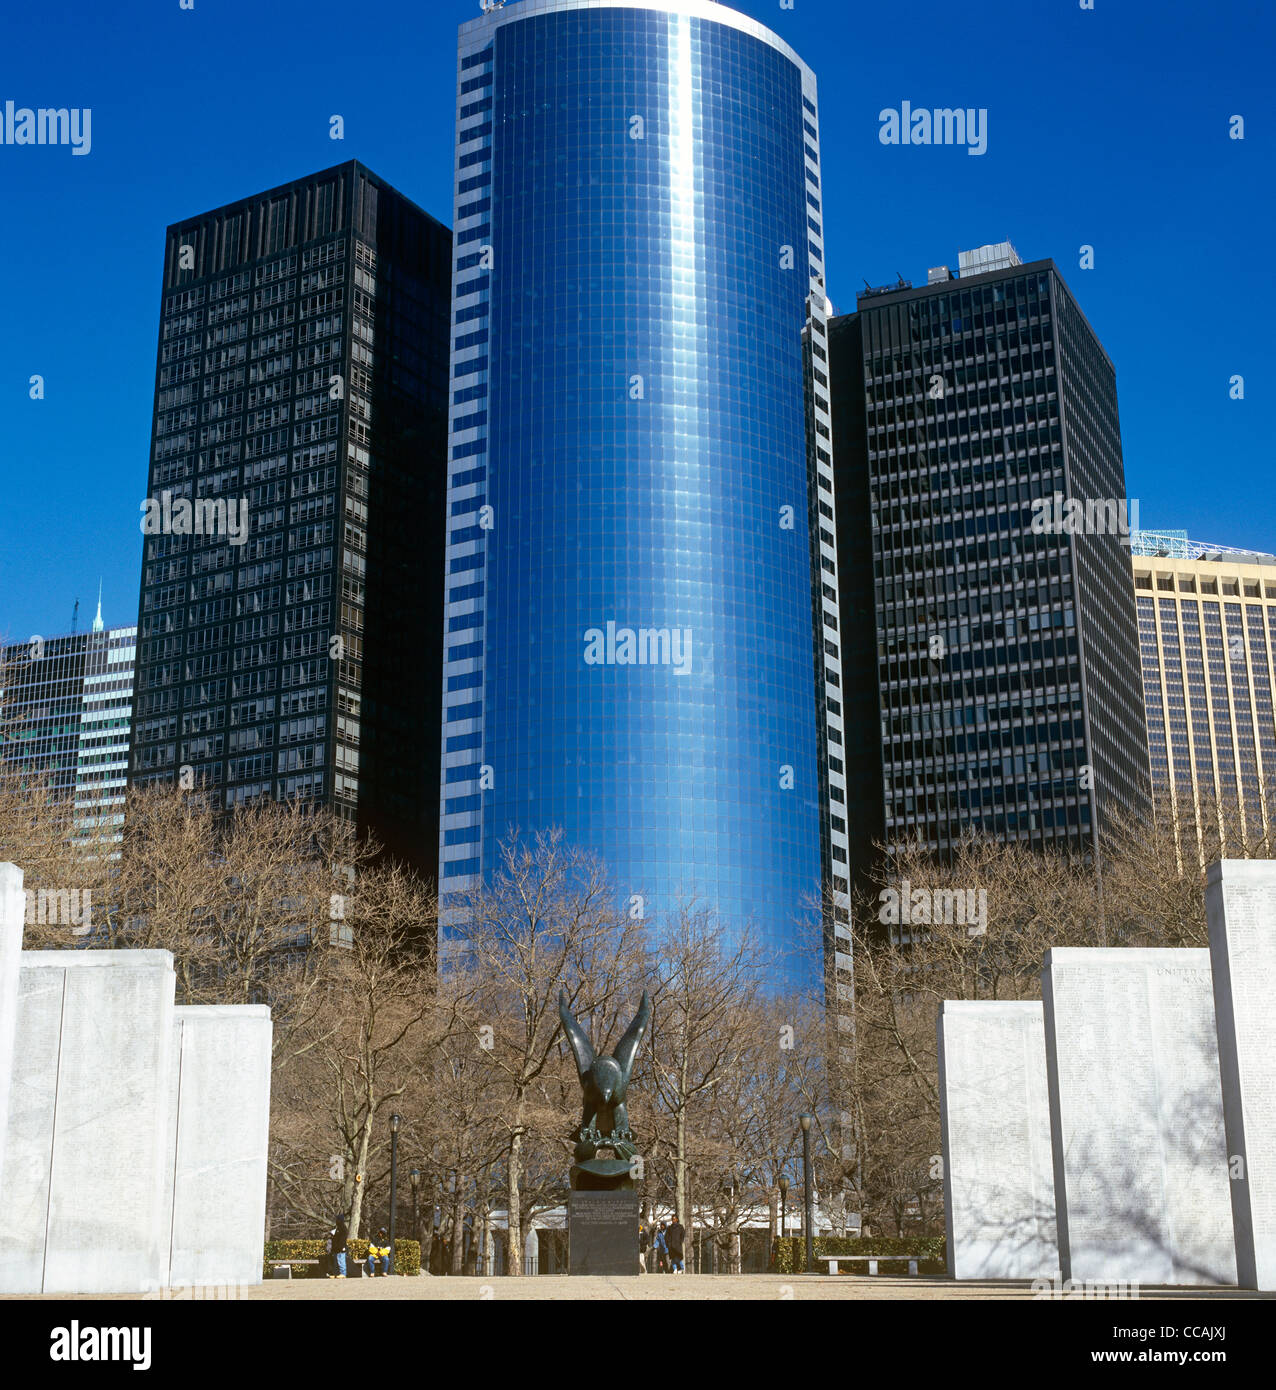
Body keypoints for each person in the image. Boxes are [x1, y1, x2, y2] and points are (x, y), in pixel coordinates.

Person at [327, 1214, 349, 1279]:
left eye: (337, 1219)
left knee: (341, 1260)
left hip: (341, 1247)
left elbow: (342, 1239)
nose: (336, 1221)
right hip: (337, 1248)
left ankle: (343, 1273)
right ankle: (336, 1273)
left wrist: (340, 1246)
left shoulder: (343, 1228)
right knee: (337, 1261)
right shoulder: (338, 1228)